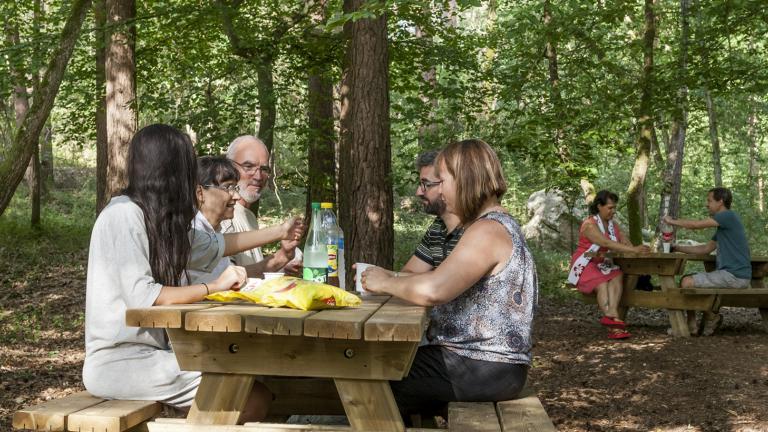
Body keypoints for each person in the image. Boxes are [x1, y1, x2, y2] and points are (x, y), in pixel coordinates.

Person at [83, 124, 304, 422]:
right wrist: (214, 287)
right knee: (251, 396)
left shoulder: (161, 220)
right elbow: (146, 297)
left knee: (261, 384)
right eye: (188, 166)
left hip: (158, 355)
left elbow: (220, 244)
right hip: (121, 361)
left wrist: (281, 231)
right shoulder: (123, 216)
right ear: (170, 171)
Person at [361, 139, 537, 419]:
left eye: (442, 181)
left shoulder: (488, 230)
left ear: (466, 180)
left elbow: (434, 289)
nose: (439, 190)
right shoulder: (490, 224)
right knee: (377, 367)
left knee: (368, 377)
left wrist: (384, 281)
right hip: (481, 363)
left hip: (483, 365)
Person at [663, 187, 751, 336]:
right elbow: (705, 249)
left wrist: (671, 221)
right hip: (734, 276)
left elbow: (696, 225)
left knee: (686, 282)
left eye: (709, 200)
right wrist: (676, 247)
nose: (706, 204)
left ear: (720, 202)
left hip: (733, 276)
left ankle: (694, 324)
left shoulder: (727, 216)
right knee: (688, 280)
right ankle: (708, 317)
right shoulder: (724, 227)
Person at [567, 190, 650, 339]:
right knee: (602, 283)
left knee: (617, 274)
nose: (613, 211)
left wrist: (638, 250)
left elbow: (625, 242)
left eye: (614, 208)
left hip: (602, 264)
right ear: (599, 206)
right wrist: (633, 249)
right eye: (610, 208)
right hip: (586, 263)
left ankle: (612, 316)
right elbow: (605, 242)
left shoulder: (613, 225)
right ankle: (616, 322)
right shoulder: (589, 224)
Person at [222, 135, 302, 276]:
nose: (258, 176)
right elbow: (225, 279)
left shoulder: (248, 216)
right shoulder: (220, 215)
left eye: (264, 169)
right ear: (228, 167)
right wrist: (280, 257)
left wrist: (282, 262)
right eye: (248, 167)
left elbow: (245, 275)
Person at [400, 150, 463, 274]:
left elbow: (442, 285)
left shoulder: (478, 228)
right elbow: (409, 273)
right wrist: (385, 276)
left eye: (426, 184)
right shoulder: (438, 227)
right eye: (420, 184)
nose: (418, 192)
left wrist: (386, 281)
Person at [187, 156, 243, 284]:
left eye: (235, 188)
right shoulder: (191, 232)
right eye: (228, 187)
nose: (237, 196)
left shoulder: (215, 230)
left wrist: (277, 260)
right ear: (199, 193)